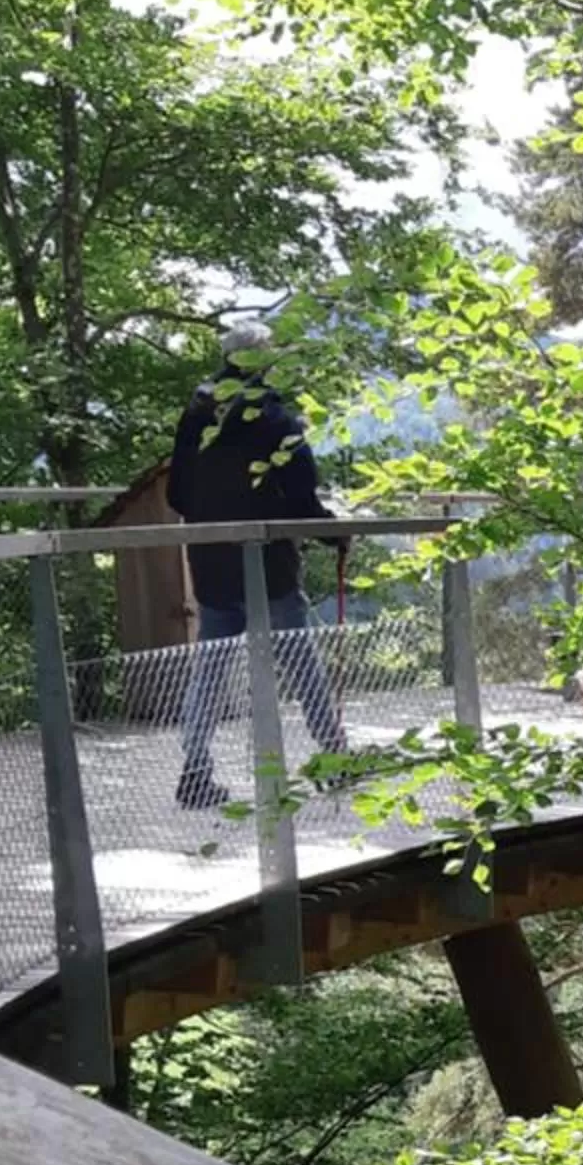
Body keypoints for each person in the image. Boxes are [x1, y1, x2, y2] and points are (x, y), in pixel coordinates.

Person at [167, 317, 348, 808]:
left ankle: (194, 770)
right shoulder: (275, 420)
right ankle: (334, 757)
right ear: (264, 361)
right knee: (301, 664)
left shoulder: (196, 416)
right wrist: (334, 532)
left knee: (209, 671)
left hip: (211, 564)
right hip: (270, 568)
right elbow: (301, 499)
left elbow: (177, 494)